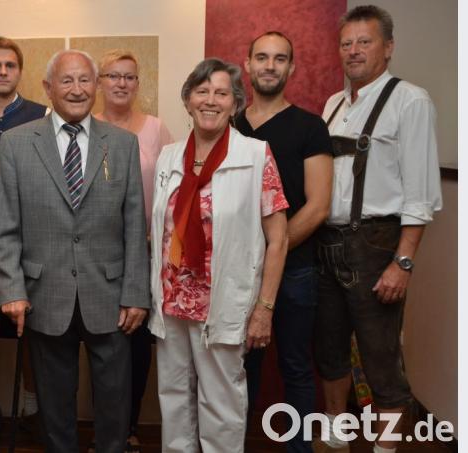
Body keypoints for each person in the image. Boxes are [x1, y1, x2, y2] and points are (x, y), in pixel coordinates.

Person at [0, 49, 150, 453]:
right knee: (54, 404)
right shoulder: (15, 144)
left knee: (115, 402)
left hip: (111, 295)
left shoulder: (123, 144)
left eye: (85, 80)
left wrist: (136, 293)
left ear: (96, 86)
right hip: (44, 294)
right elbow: (6, 227)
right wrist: (11, 289)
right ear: (48, 87)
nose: (77, 89)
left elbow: (135, 225)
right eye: (67, 81)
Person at [314, 6, 442, 453]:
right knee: (329, 350)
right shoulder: (333, 104)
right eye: (346, 43)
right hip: (326, 244)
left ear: (388, 48)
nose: (353, 51)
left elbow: (420, 194)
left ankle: (385, 450)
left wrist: (402, 263)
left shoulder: (411, 100)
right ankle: (336, 439)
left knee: (381, 359)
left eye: (364, 42)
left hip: (375, 245)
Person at [149, 58, 289, 453]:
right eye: (202, 91)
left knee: (221, 403)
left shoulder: (256, 155)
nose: (210, 100)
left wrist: (264, 308)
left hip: (223, 300)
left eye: (221, 93)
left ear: (235, 103)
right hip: (172, 300)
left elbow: (278, 239)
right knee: (174, 397)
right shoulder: (169, 156)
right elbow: (159, 232)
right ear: (188, 100)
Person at [234, 32, 333, 453]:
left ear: (291, 67)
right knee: (238, 368)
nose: (270, 66)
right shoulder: (230, 124)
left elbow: (318, 206)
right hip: (237, 273)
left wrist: (272, 252)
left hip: (295, 269)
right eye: (262, 57)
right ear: (248, 65)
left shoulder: (310, 127)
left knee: (295, 366)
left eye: (279, 58)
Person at [94, 49, 173, 453]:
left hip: (144, 253)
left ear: (138, 83)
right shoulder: (86, 126)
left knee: (138, 345)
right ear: (100, 82)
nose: (121, 83)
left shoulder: (156, 129)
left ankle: (128, 427)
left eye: (129, 76)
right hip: (97, 255)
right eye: (113, 75)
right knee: (102, 344)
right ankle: (104, 430)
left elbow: (173, 192)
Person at [0, 36, 47, 450]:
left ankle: (32, 410)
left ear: (20, 70)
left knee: (33, 329)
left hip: (30, 243)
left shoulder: (41, 114)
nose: (3, 71)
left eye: (10, 65)